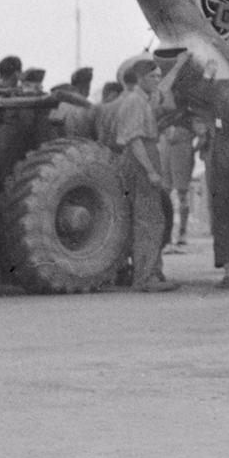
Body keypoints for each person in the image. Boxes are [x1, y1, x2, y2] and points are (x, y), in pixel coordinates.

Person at [96, 57, 177, 292]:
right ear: (141, 78)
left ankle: (149, 272)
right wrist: (151, 171)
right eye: (153, 76)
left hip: (144, 158)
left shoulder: (141, 99)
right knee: (149, 220)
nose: (157, 80)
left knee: (149, 218)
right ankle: (145, 277)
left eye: (159, 76)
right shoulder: (134, 102)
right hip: (141, 161)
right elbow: (133, 139)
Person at [204, 74, 229, 286]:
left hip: (221, 164)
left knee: (221, 217)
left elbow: (202, 95)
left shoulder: (221, 93)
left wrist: (208, 78)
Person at [159, 98, 200, 250]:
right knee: (165, 191)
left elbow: (201, 132)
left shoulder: (189, 113)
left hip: (181, 149)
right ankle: (167, 234)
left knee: (182, 192)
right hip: (166, 148)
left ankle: (182, 233)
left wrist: (192, 150)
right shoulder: (164, 110)